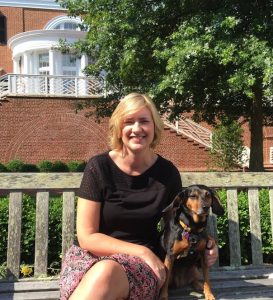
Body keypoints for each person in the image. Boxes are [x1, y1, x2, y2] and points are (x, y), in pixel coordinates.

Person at [59, 92, 218, 300]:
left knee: (106, 273)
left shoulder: (167, 174)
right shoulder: (98, 168)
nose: (136, 129)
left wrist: (205, 243)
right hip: (90, 257)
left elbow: (176, 229)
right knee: (104, 272)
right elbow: (87, 237)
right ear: (118, 128)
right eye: (128, 122)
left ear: (154, 127)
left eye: (144, 121)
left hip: (140, 267)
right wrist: (142, 252)